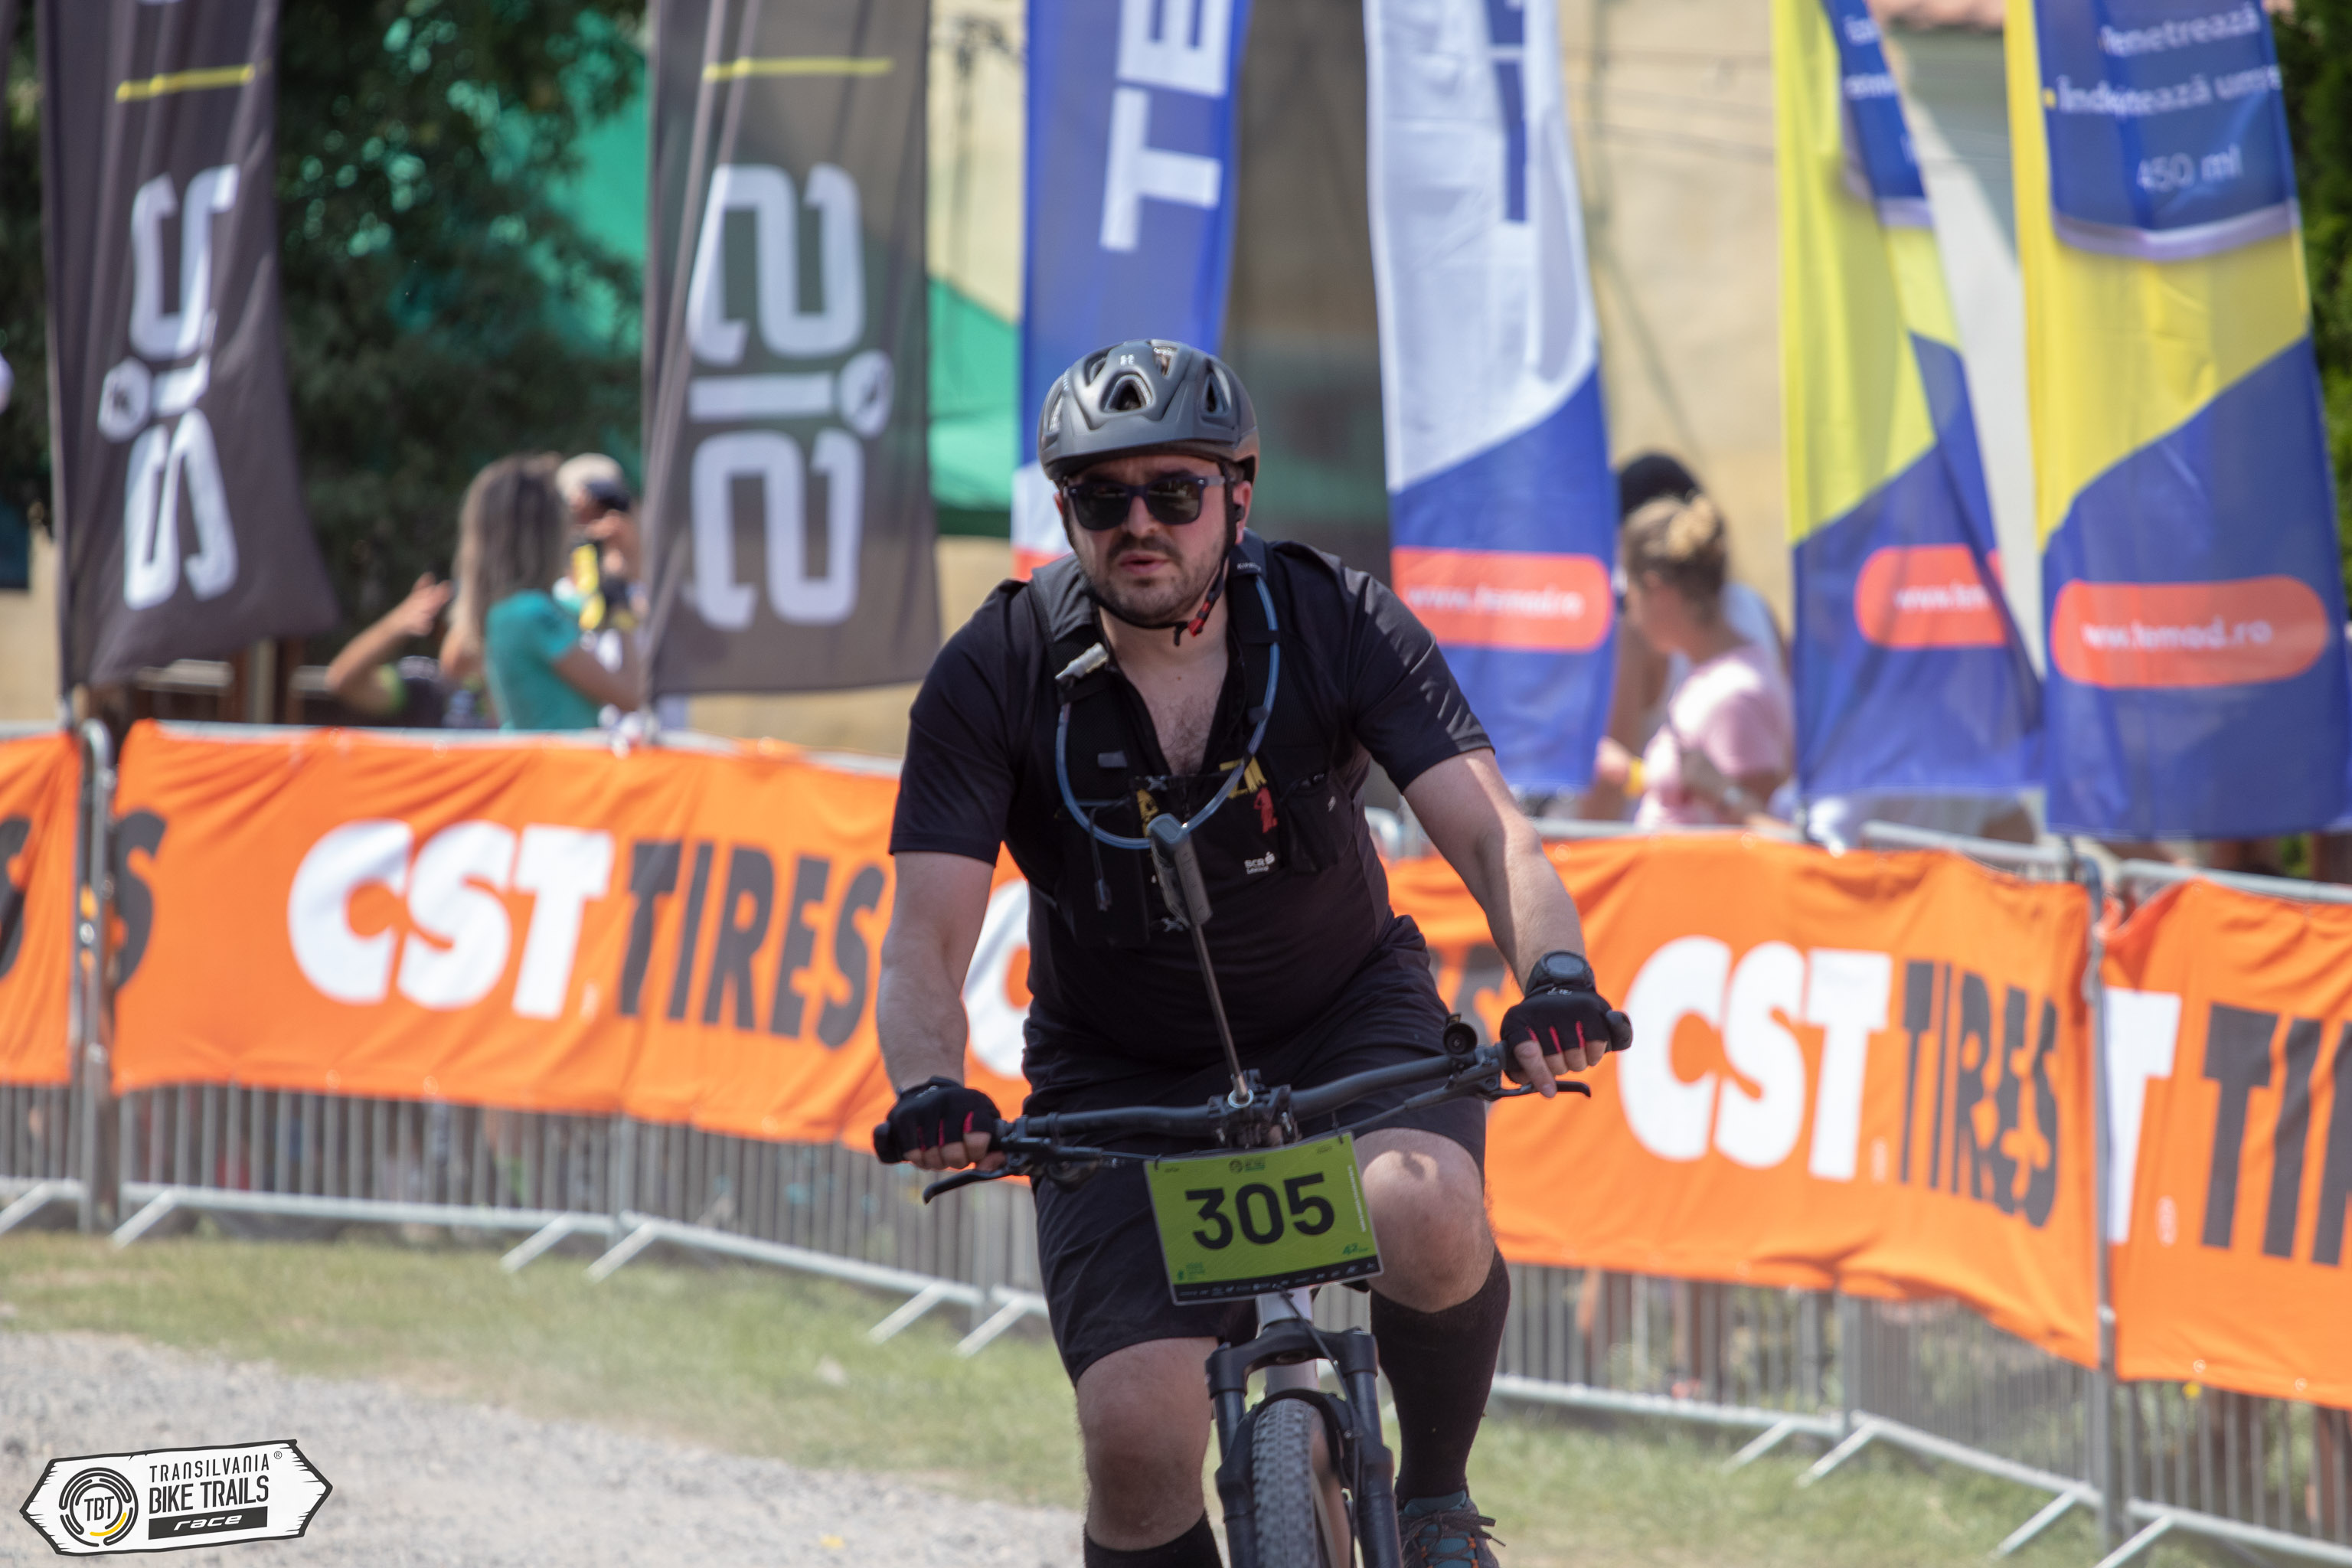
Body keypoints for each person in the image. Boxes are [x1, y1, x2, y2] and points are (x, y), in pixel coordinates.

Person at [873, 340, 1632, 1568]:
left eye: (1173, 492)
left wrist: (1555, 979)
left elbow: (1494, 835)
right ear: (1064, 511)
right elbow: (925, 936)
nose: (1138, 525)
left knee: (1428, 1212)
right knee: (1134, 1440)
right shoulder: (993, 671)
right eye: (1101, 498)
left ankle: (1436, 1504)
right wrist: (928, 1084)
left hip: (1346, 1020)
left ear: (1238, 492)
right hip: (1119, 1075)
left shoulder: (1335, 617)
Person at [1579, 454, 1784, 821]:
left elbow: (1759, 826)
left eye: (1630, 595)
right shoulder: (1714, 669)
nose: (1628, 613)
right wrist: (1632, 774)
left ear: (1659, 591)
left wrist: (1722, 793)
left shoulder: (1733, 694)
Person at [453, 453, 640, 731]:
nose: (572, 524)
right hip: (560, 759)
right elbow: (631, 695)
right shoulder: (532, 613)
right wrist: (619, 596)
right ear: (543, 529)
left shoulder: (510, 609)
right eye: (564, 511)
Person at [319, 572, 493, 728]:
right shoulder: (425, 683)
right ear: (442, 632)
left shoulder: (502, 684)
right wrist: (397, 624)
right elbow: (341, 681)